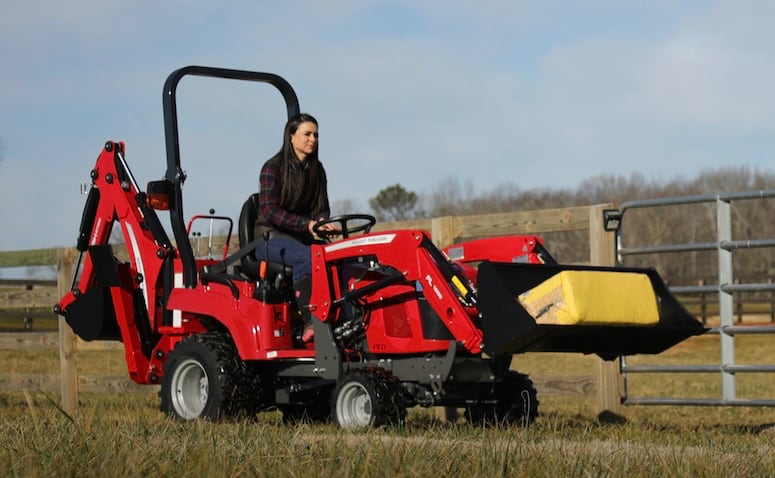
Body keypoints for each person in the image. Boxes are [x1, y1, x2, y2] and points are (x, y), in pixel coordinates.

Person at [254, 113, 337, 343]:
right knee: (307, 258)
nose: (312, 139)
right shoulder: (273, 168)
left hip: (302, 237)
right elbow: (270, 211)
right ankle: (311, 321)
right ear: (291, 137)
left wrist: (321, 224)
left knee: (338, 257)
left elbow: (321, 207)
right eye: (307, 134)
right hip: (269, 239)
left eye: (316, 135)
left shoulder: (317, 170)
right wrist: (306, 225)